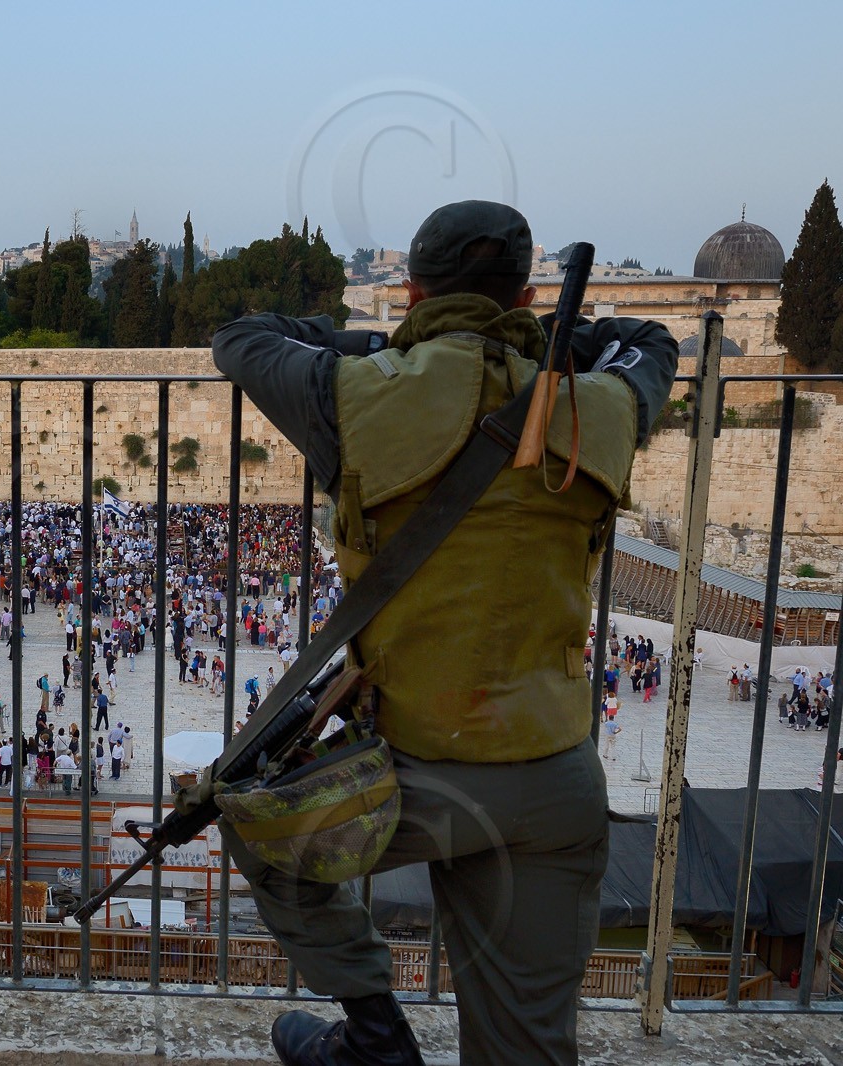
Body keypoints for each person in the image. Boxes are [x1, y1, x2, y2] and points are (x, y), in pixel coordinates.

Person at [212, 200, 676, 1066]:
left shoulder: (346, 397)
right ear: (529, 293)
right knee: (529, 1046)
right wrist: (547, 346)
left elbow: (243, 338)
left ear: (413, 289)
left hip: (411, 776)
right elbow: (653, 343)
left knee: (253, 819)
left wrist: (386, 347)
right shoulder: (608, 406)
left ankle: (376, 1035)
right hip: (553, 780)